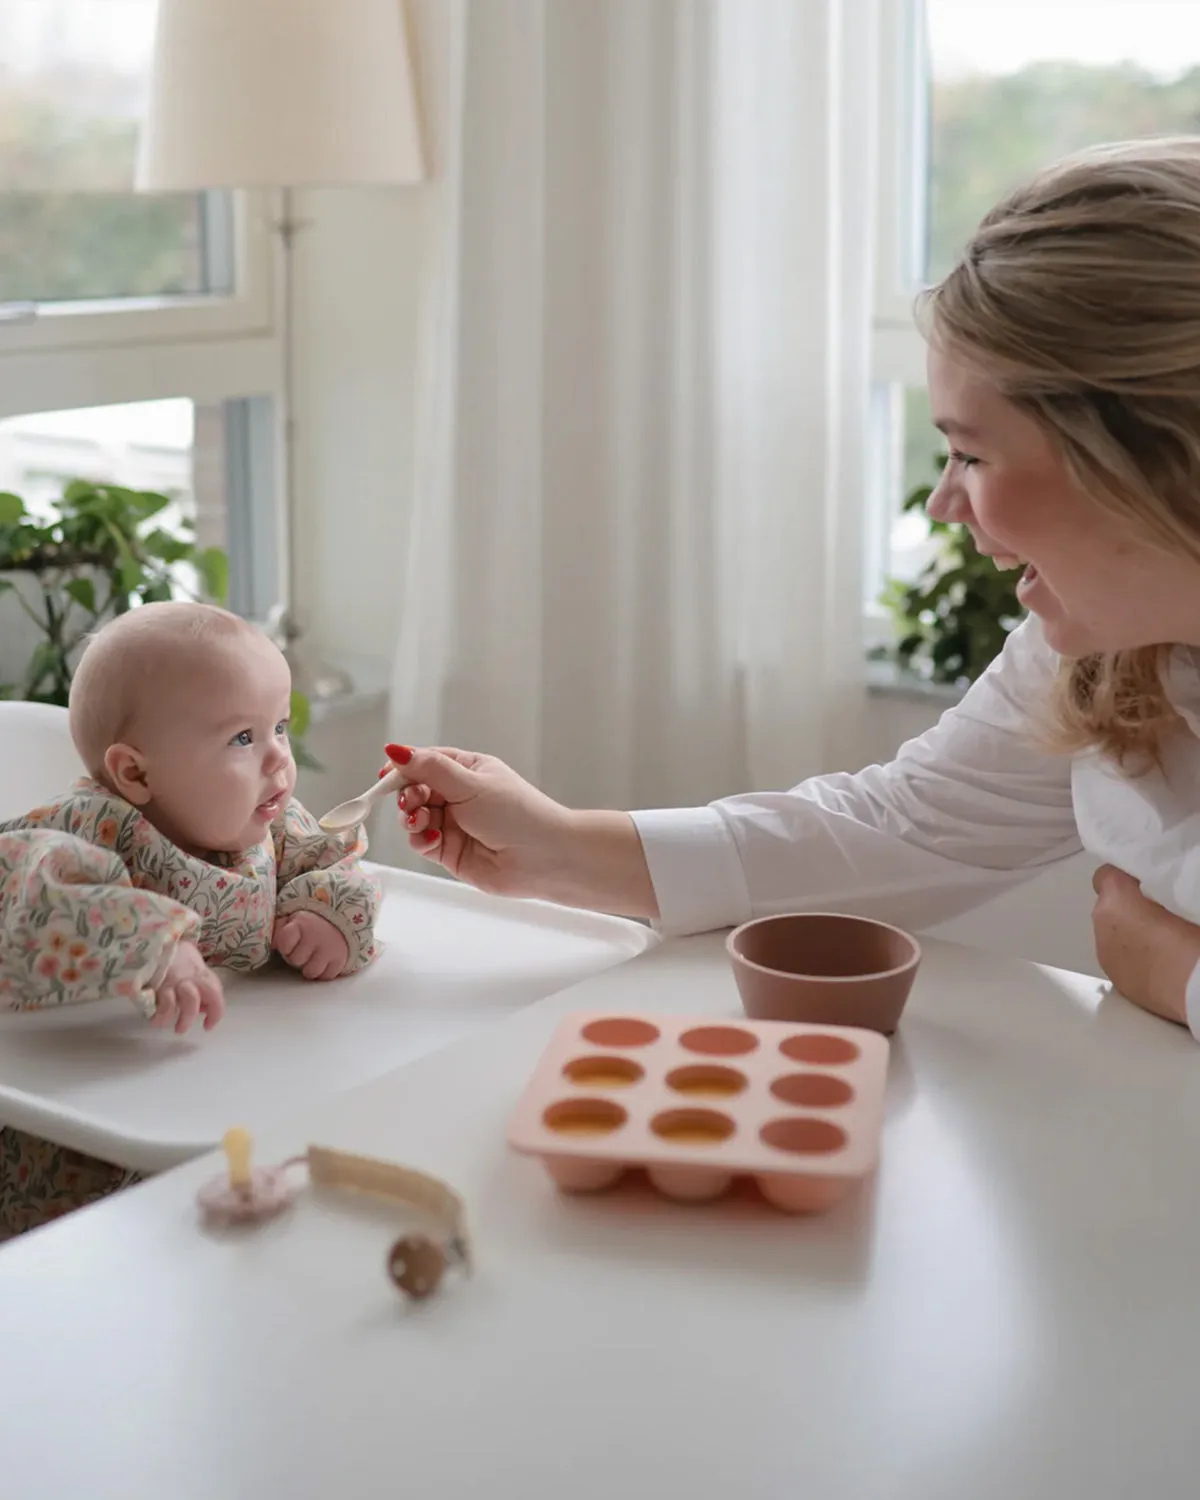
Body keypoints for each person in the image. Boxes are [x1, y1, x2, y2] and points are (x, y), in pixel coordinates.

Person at [383, 137, 1200, 1042]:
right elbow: (911, 828)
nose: (941, 502)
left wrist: (1181, 975)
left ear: (1156, 456)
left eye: (972, 452)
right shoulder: (1097, 648)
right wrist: (562, 848)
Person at [0, 601, 381, 1235]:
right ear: (135, 772)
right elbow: (28, 895)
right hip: (84, 1131)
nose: (278, 759)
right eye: (243, 738)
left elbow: (334, 859)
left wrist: (330, 911)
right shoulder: (91, 827)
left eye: (279, 727)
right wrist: (154, 940)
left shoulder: (267, 821)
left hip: (223, 1088)